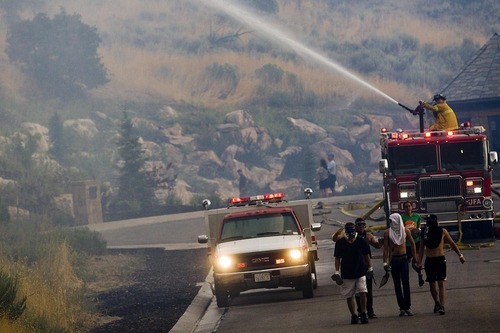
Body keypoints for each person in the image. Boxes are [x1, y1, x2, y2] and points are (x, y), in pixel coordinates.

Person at [333, 218, 382, 319]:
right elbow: (337, 257)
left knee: (364, 292)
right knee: (350, 295)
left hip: (361, 270)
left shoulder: (364, 239)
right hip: (347, 273)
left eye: (363, 225)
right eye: (359, 225)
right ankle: (355, 314)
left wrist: (370, 268)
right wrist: (337, 272)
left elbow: (367, 254)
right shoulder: (341, 242)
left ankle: (366, 312)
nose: (361, 227)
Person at [417, 214, 465, 315]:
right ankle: (437, 303)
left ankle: (442, 305)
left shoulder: (442, 231)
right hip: (429, 260)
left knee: (441, 282)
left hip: (439, 259)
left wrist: (460, 255)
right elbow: (421, 249)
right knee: (432, 283)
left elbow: (452, 243)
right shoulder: (424, 233)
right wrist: (419, 262)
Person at [383, 213, 417, 317]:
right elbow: (386, 249)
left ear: (397, 221)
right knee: (397, 284)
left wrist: (414, 257)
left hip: (403, 258)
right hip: (394, 260)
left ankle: (408, 306)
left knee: (405, 283)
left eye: (392, 221)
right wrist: (385, 262)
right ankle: (401, 307)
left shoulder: (405, 231)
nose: (391, 223)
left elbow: (412, 244)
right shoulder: (388, 232)